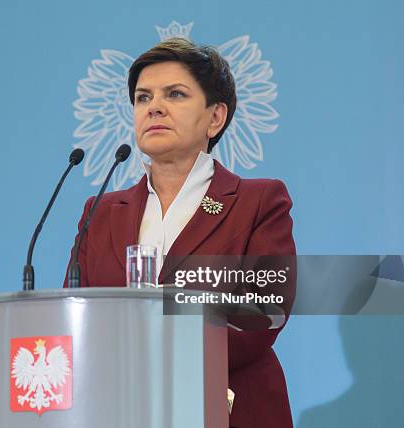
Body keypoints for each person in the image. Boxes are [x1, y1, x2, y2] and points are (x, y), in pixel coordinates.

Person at [65, 38, 296, 428]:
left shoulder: (259, 202)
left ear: (215, 117)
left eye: (175, 94)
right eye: (142, 98)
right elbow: (74, 318)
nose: (153, 106)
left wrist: (153, 360)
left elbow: (261, 313)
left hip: (231, 411)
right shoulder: (100, 212)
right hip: (120, 411)